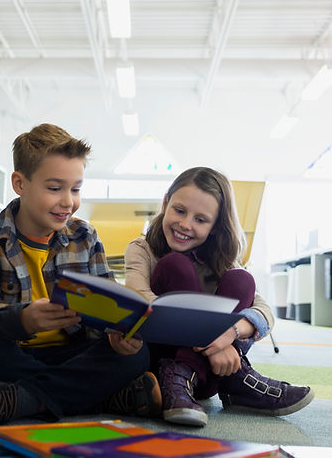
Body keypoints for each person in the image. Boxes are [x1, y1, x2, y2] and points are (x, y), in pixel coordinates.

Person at [0, 123, 161, 428]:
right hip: (15, 353)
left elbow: (110, 301)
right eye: (55, 188)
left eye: (76, 189)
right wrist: (22, 319)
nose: (68, 201)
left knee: (136, 355)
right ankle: (107, 397)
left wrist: (119, 333)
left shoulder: (85, 235)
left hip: (74, 353)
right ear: (20, 183)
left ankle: (13, 400)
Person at [124, 167, 314, 427]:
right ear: (165, 203)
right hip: (162, 363)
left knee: (241, 279)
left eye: (201, 220)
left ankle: (220, 378)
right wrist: (211, 339)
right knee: (175, 265)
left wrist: (229, 335)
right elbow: (141, 300)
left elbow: (264, 310)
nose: (185, 224)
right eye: (179, 210)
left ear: (215, 227)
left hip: (216, 368)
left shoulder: (222, 258)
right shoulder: (141, 249)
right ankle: (234, 381)